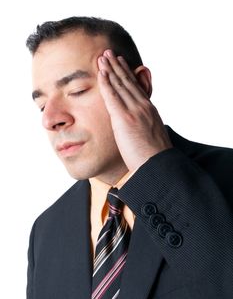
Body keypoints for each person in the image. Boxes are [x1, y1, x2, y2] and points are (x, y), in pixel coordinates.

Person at [26, 17, 233, 299]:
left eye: (77, 91)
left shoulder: (227, 177)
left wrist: (154, 167)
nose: (51, 119)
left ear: (140, 84)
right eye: (41, 106)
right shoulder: (46, 232)